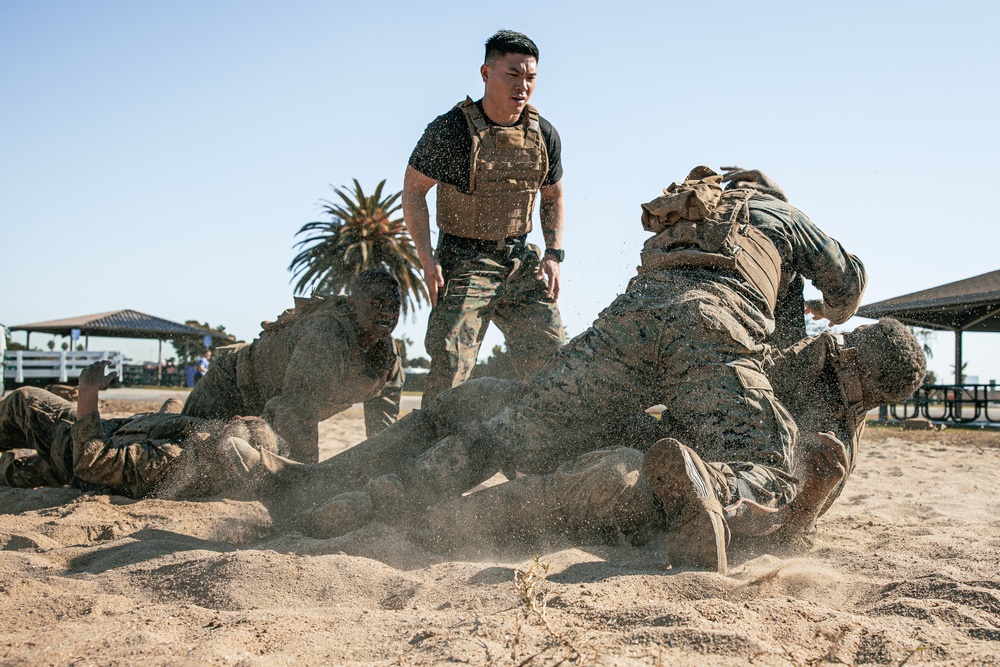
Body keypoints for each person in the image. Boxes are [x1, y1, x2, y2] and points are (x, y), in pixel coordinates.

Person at [277, 166, 868, 572]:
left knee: (504, 430)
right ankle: (715, 490)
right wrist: (828, 305)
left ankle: (368, 506)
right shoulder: (779, 215)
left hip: (623, 325)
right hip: (711, 333)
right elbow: (847, 281)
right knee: (773, 460)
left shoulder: (685, 207)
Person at [402, 29, 567, 407]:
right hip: (464, 261)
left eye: (530, 77)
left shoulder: (544, 134)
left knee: (556, 359)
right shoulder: (452, 130)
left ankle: (543, 457)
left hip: (519, 260)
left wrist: (554, 253)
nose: (522, 86)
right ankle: (424, 455)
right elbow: (413, 191)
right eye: (513, 74)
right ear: (486, 73)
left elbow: (553, 195)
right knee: (450, 368)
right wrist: (427, 261)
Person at [181, 268, 404, 463]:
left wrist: (383, 467)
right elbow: (297, 412)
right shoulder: (327, 334)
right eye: (376, 304)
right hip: (231, 386)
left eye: (394, 306)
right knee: (178, 452)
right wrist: (304, 482)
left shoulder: (387, 357)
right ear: (353, 304)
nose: (387, 313)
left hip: (268, 412)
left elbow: (382, 429)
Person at [0, 361, 281, 499]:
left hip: (71, 444)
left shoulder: (175, 458)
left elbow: (93, 461)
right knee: (12, 472)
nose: (233, 416)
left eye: (238, 421)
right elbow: (172, 427)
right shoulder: (210, 459)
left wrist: (88, 393)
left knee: (24, 400)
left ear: (235, 440)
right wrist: (172, 407)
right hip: (70, 469)